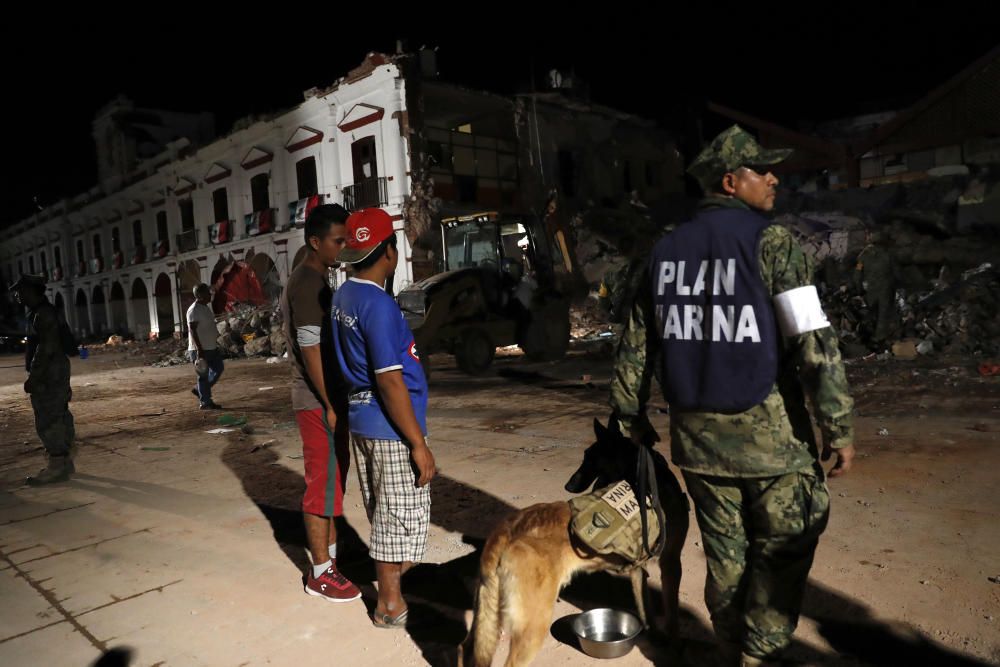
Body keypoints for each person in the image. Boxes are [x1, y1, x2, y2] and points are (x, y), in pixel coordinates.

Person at [610, 125, 856, 665]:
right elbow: (812, 339)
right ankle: (760, 654)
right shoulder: (772, 244)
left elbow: (635, 343)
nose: (773, 179)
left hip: (697, 443)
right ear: (729, 181)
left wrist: (628, 416)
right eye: (762, 171)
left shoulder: (664, 251)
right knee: (784, 549)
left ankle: (727, 646)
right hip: (770, 441)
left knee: (726, 554)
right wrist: (837, 425)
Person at [331, 208, 436, 629]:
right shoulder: (377, 305)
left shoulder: (344, 296)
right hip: (389, 425)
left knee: (385, 509)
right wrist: (418, 443)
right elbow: (390, 382)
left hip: (362, 418)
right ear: (388, 252)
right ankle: (389, 603)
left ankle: (389, 592)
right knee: (399, 516)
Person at [280, 204, 361, 602]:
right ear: (315, 242)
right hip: (315, 399)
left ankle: (329, 559)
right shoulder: (309, 283)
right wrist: (329, 402)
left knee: (332, 482)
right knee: (322, 484)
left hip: (325, 397)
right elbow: (310, 347)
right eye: (338, 240)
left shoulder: (316, 278)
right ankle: (320, 574)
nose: (343, 246)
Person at [11, 274, 76, 486]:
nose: (17, 295)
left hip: (49, 374)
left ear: (30, 291)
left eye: (20, 291)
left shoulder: (42, 315)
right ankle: (64, 462)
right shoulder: (44, 312)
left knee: (48, 418)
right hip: (56, 371)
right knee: (59, 413)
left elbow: (44, 349)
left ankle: (56, 465)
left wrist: (34, 377)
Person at [187, 283, 224, 410]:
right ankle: (205, 402)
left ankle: (200, 390)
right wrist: (199, 350)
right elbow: (193, 331)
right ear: (200, 295)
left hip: (211, 347)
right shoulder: (194, 310)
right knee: (203, 376)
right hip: (200, 349)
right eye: (208, 293)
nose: (210, 295)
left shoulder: (205, 307)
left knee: (218, 368)